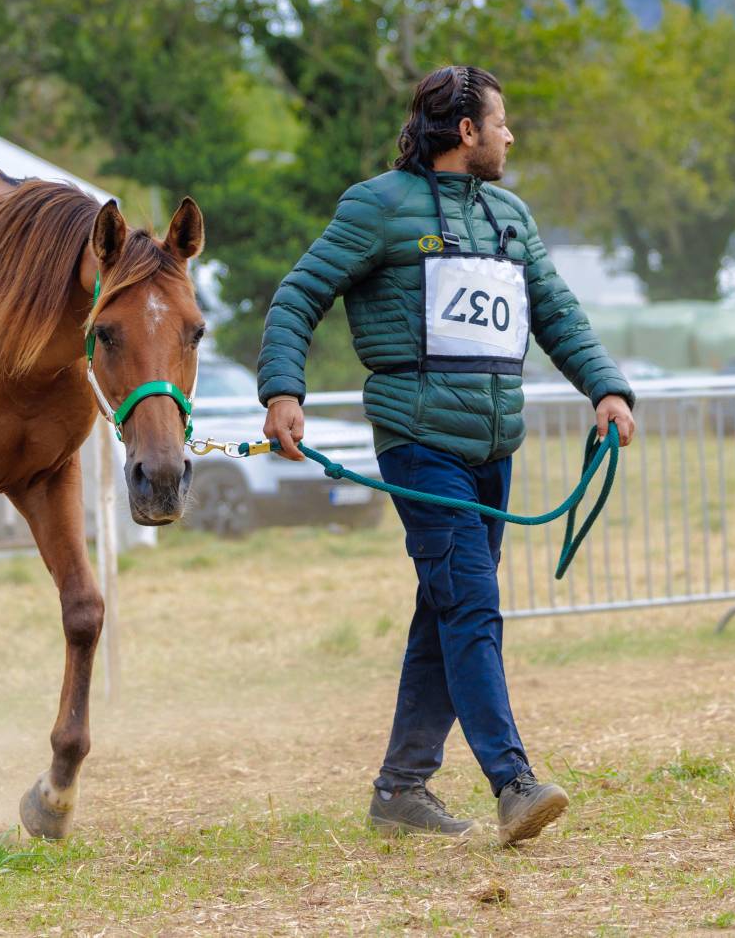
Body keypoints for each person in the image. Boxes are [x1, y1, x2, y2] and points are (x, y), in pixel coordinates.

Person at [257, 65, 636, 845]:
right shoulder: (377, 206)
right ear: (466, 131)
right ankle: (513, 782)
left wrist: (606, 389)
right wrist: (282, 391)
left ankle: (401, 789)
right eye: (501, 122)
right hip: (419, 440)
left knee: (445, 608)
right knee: (470, 602)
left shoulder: (509, 214)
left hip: (494, 444)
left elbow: (556, 313)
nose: (509, 134)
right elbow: (299, 295)